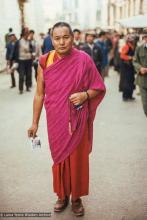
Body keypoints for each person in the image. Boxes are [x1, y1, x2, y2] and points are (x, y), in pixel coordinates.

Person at [28, 22, 106, 217]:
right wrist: (35, 122)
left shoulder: (84, 60)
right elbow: (39, 94)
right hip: (56, 118)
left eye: (66, 37)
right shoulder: (45, 61)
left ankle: (76, 197)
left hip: (77, 118)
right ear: (51, 39)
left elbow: (99, 86)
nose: (62, 42)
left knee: (77, 158)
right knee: (60, 158)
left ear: (73, 38)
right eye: (57, 38)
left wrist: (85, 95)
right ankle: (62, 195)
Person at [13, 27, 34, 94]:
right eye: (26, 31)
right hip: (21, 61)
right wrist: (15, 61)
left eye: (28, 31)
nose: (28, 33)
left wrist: (31, 53)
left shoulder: (29, 41)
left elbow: (32, 50)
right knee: (21, 75)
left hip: (28, 60)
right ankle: (21, 89)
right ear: (23, 33)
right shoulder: (18, 42)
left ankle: (27, 87)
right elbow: (15, 52)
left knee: (28, 74)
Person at [133, 34, 147, 116]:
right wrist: (140, 68)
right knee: (145, 104)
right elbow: (135, 61)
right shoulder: (139, 48)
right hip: (143, 81)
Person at [119, 35, 136, 101]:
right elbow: (122, 55)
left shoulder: (132, 46)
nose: (132, 41)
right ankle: (125, 96)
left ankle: (130, 95)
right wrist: (130, 57)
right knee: (126, 81)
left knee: (131, 81)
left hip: (130, 67)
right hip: (126, 67)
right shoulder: (126, 46)